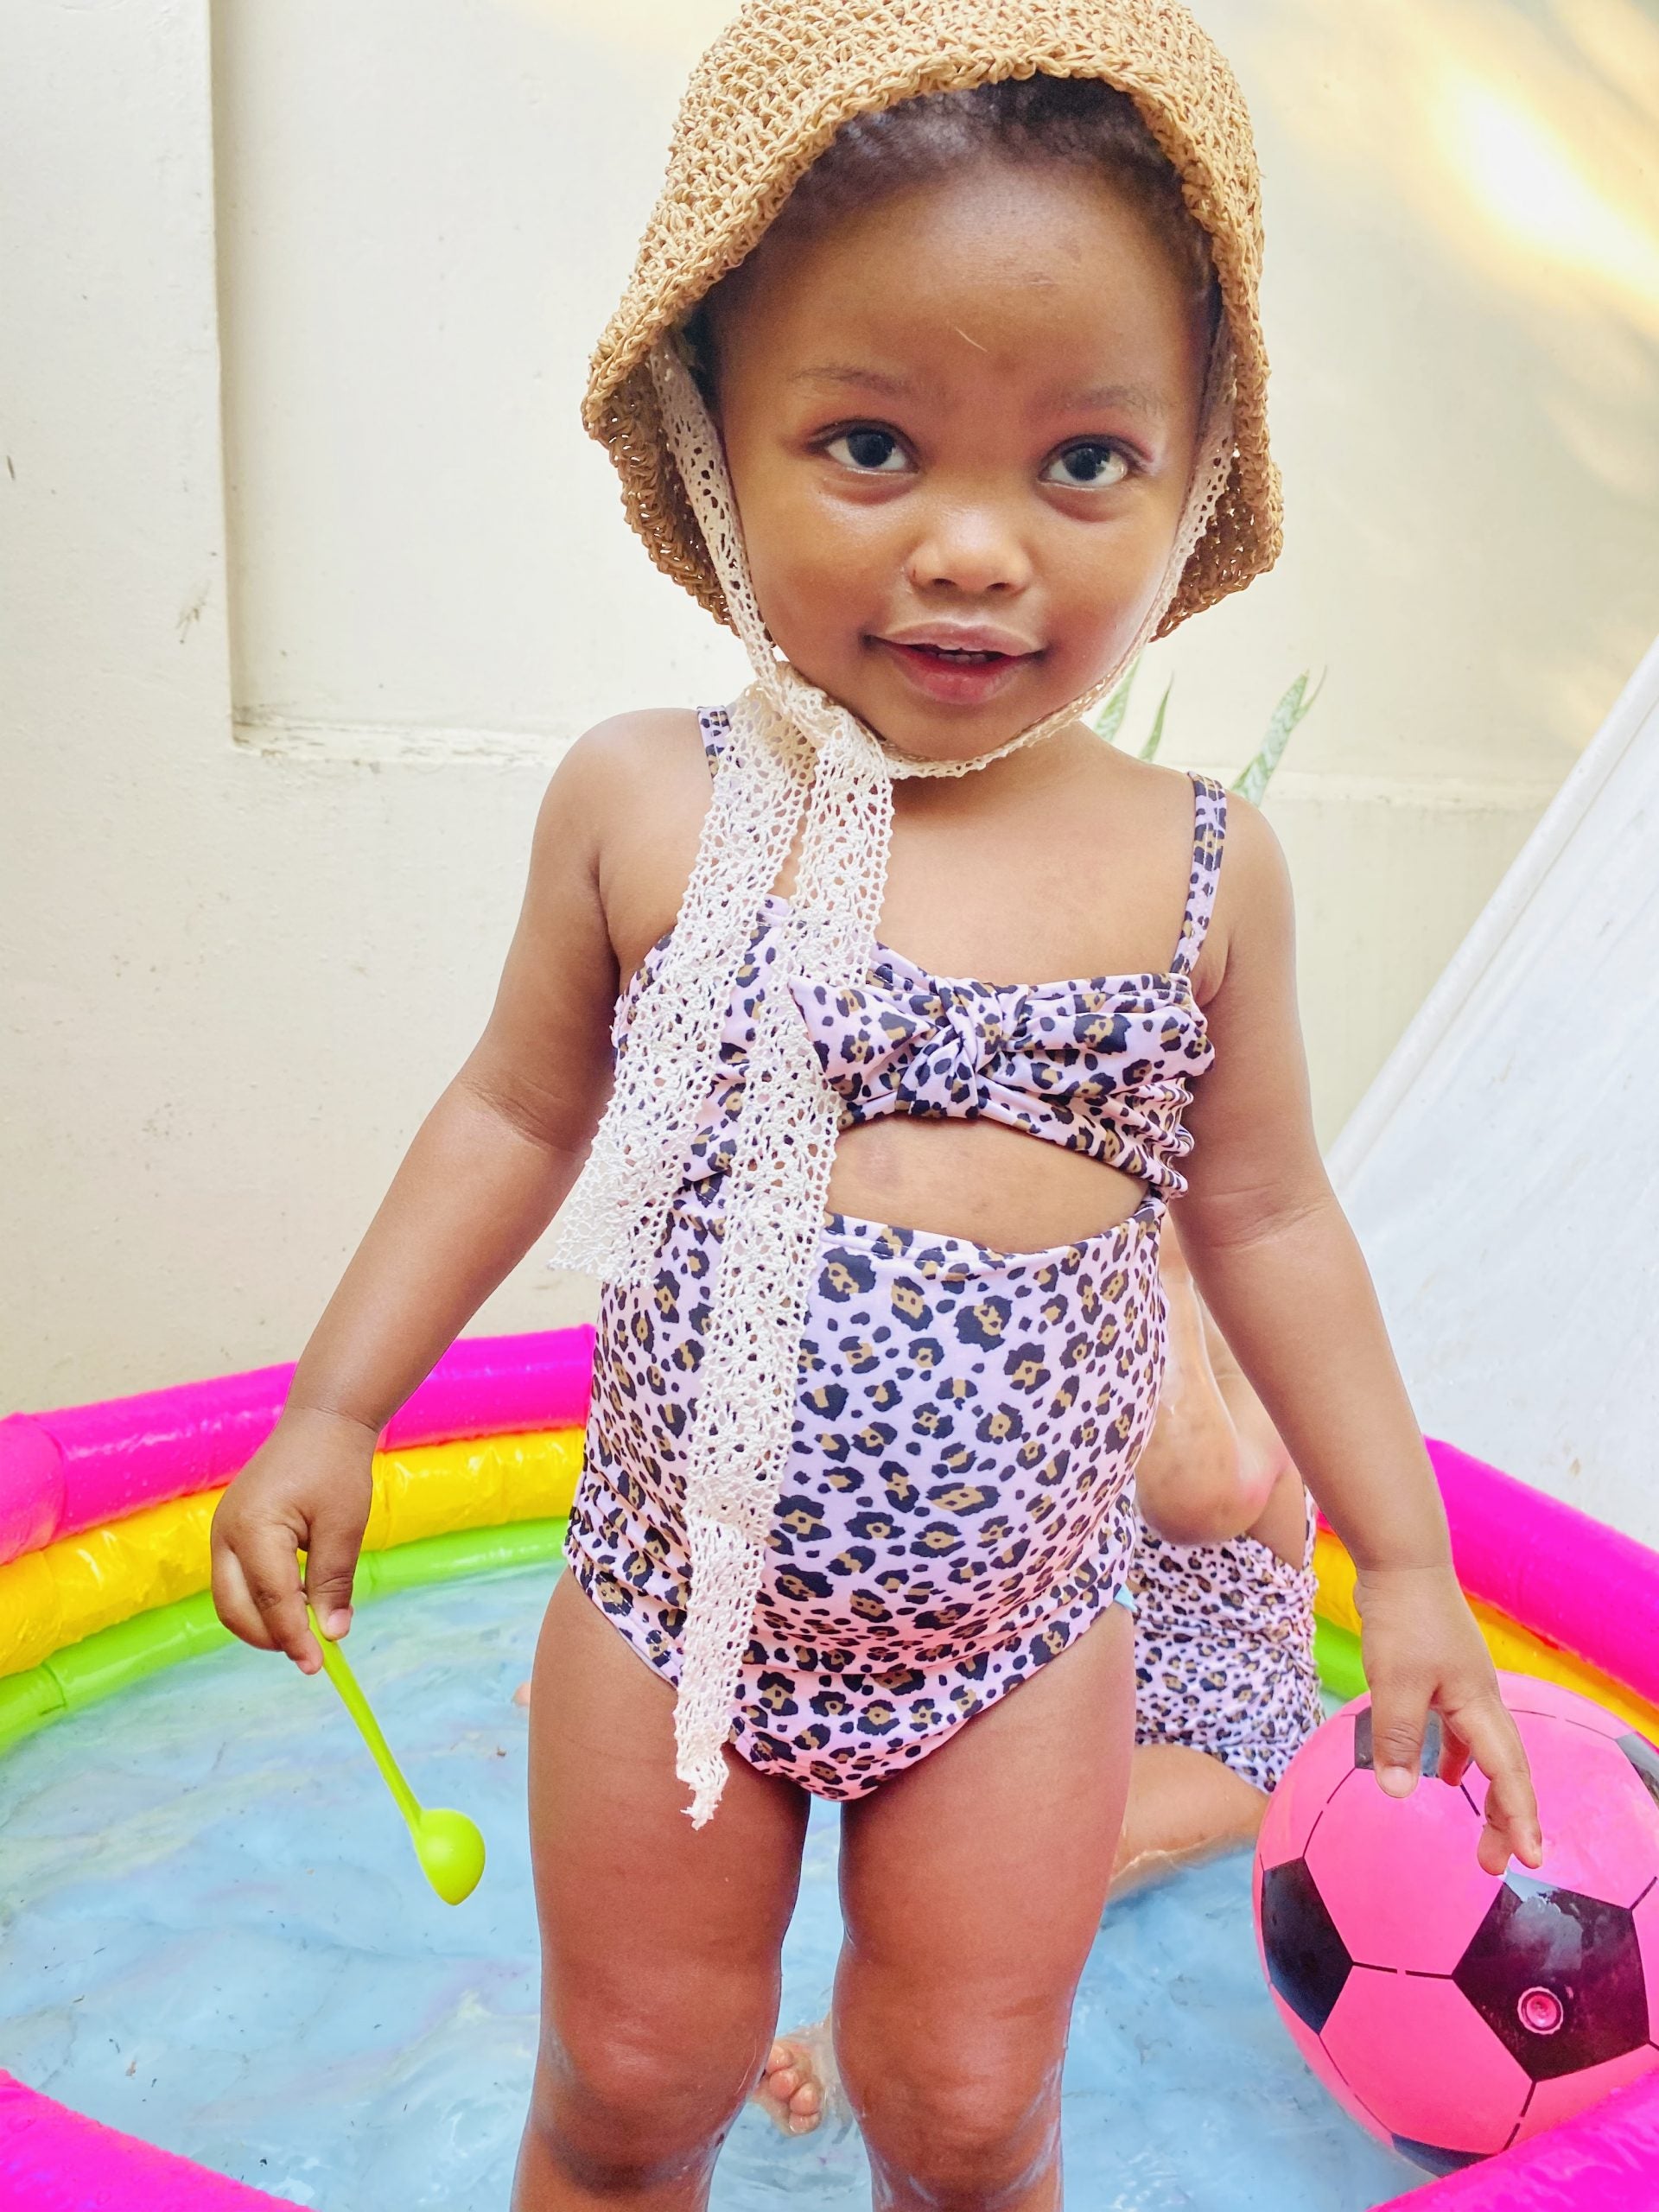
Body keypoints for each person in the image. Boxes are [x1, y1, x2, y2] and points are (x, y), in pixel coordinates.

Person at [210, 8, 1541, 2206]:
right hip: (670, 1590)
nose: (976, 547)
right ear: (710, 430)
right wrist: (337, 1407)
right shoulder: (647, 804)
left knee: (968, 2107)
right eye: (870, 443)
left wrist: (1404, 1562)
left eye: (1082, 461)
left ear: (1198, 463)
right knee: (631, 2085)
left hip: (1017, 1639)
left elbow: (1271, 1216)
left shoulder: (1200, 867)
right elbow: (511, 1113)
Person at [751, 1224, 1325, 2138]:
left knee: (1058, 1850)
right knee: (940, 1821)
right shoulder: (1109, 1384)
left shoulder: (1271, 1394)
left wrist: (1169, 1277)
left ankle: (854, 2040)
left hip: (1235, 1752)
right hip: (1096, 1711)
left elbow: (1205, 1495)